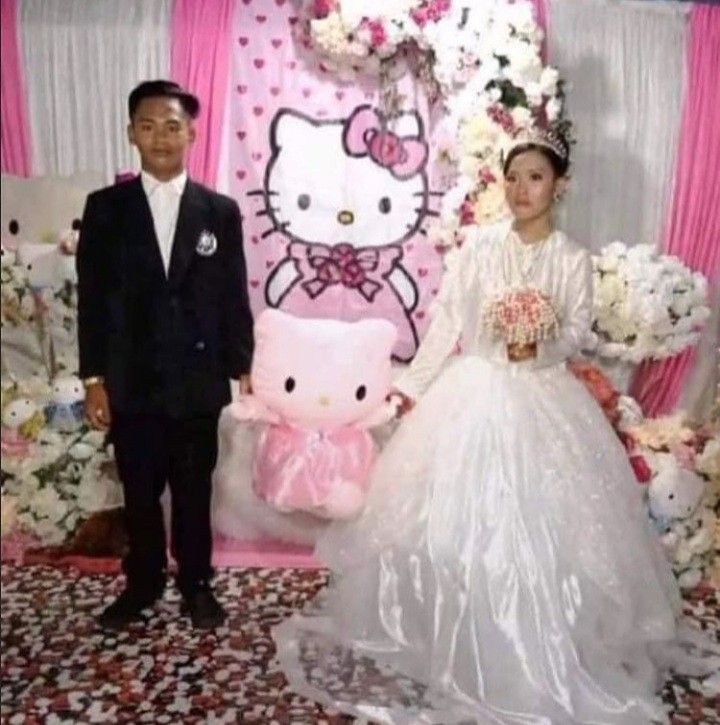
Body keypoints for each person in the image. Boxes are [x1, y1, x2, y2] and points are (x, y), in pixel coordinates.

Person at [272, 129, 716, 723]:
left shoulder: (571, 257)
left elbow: (578, 331)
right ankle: (451, 641)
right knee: (453, 529)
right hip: (472, 394)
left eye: (534, 177)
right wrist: (409, 389)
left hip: (544, 400)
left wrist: (541, 341)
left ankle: (542, 648)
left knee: (547, 535)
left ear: (559, 186)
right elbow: (446, 324)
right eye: (512, 177)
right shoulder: (479, 247)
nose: (520, 189)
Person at [77, 80, 254, 630]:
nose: (160, 136)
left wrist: (241, 364)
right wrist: (93, 379)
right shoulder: (106, 209)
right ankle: (144, 581)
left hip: (197, 377)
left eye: (172, 125)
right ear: (131, 133)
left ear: (192, 134)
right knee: (139, 490)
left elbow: (233, 292)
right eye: (148, 125)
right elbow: (93, 298)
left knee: (194, 489)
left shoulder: (218, 211)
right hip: (132, 378)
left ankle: (196, 583)